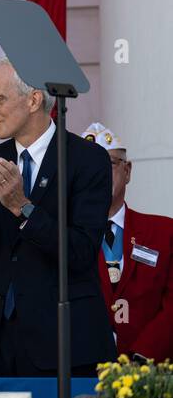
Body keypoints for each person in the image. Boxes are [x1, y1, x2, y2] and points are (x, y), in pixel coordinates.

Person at [0, 57, 115, 376]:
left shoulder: (86, 160)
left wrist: (23, 207)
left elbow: (81, 253)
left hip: (63, 346)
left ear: (33, 100)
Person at [82, 122, 173, 361]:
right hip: (81, 371)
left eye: (109, 164)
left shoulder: (165, 232)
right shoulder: (59, 236)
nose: (98, 173)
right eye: (88, 167)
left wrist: (143, 356)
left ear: (128, 171)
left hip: (151, 374)